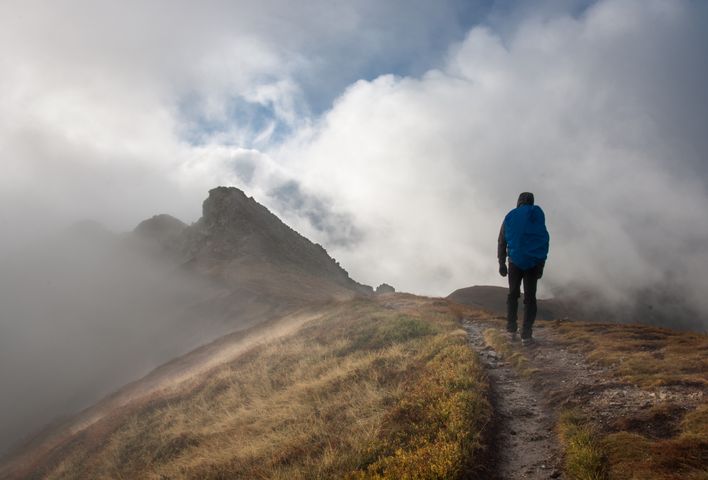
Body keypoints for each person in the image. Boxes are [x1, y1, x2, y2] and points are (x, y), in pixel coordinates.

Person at [497, 192, 549, 345]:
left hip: (514, 262)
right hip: (533, 263)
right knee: (530, 298)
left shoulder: (510, 216)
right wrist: (541, 265)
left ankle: (511, 329)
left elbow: (502, 240)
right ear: (532, 201)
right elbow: (543, 241)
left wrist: (501, 263)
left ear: (518, 201)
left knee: (513, 295)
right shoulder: (537, 216)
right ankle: (526, 334)